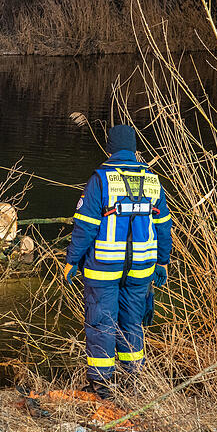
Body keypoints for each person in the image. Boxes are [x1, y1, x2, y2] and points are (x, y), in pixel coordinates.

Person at [64, 124, 172, 400]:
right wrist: (163, 262)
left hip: (104, 267)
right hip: (141, 268)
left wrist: (72, 260)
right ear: (135, 149)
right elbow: (163, 225)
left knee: (101, 323)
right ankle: (132, 379)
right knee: (133, 322)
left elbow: (86, 226)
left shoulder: (100, 179)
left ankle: (102, 386)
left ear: (109, 148)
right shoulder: (152, 180)